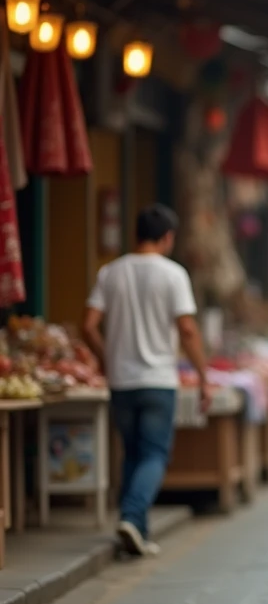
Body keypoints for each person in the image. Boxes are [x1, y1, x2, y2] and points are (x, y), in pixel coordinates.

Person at [81, 204, 209, 558]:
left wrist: (107, 357)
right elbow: (186, 329)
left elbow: (88, 325)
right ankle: (133, 518)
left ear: (135, 234)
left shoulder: (110, 272)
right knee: (153, 454)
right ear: (167, 238)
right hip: (157, 379)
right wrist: (203, 375)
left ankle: (137, 530)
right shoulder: (173, 275)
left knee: (132, 452)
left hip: (121, 380)